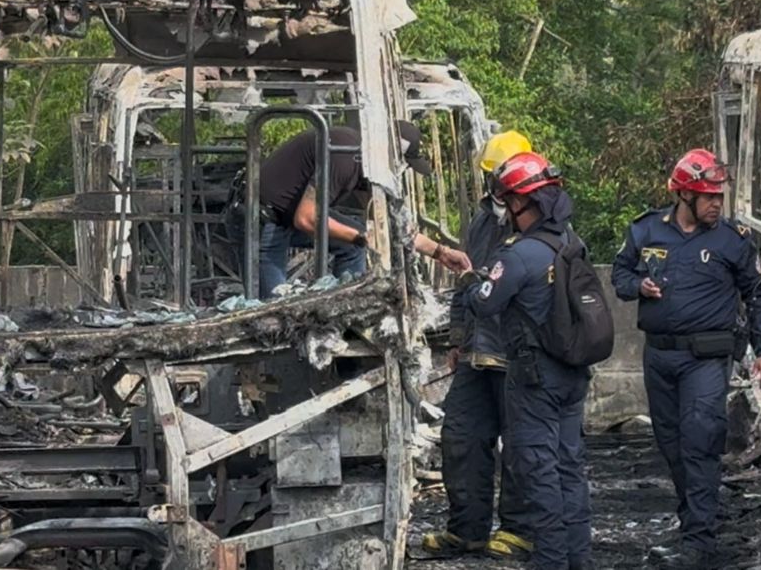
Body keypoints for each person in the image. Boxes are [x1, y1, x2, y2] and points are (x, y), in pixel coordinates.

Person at [611, 148, 761, 569]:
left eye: (719, 195)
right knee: (672, 444)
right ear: (683, 196)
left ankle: (700, 540)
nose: (716, 203)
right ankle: (692, 524)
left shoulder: (732, 241)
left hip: (706, 358)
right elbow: (620, 275)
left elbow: (757, 293)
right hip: (659, 356)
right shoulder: (647, 231)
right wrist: (638, 286)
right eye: (707, 196)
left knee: (701, 439)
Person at [459, 152, 593, 570]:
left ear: (522, 203)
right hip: (572, 373)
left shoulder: (518, 254)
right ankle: (578, 560)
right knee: (570, 468)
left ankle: (550, 562)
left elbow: (484, 303)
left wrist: (468, 280)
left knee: (538, 471)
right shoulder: (572, 242)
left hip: (534, 380)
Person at [421, 130, 535, 560]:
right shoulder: (483, 220)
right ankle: (466, 530)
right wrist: (456, 337)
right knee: (462, 437)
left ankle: (519, 529)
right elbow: (465, 278)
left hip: (518, 354)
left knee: (521, 444)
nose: (496, 188)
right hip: (476, 352)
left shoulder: (542, 226)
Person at [225, 120, 470, 297]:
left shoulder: (367, 165)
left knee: (352, 245)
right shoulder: (346, 156)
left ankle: (349, 304)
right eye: (404, 164)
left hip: (284, 216)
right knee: (274, 312)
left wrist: (440, 252)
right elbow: (307, 218)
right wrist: (362, 238)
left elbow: (392, 224)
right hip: (259, 220)